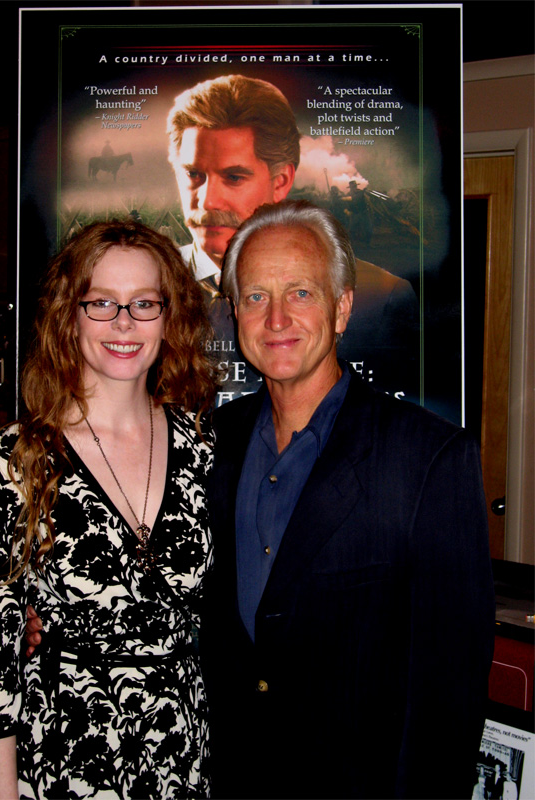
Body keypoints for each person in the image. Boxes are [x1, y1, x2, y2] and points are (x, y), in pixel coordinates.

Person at [202, 200, 495, 799]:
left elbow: (448, 696)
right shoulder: (208, 446)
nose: (276, 317)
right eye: (256, 297)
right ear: (234, 315)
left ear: (342, 308)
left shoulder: (428, 459)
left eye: (301, 293)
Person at [0, 220, 218, 799]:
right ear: (69, 314)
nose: (125, 323)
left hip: (184, 757)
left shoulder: (205, 447)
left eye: (144, 303)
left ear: (169, 315)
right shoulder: (18, 458)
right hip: (65, 758)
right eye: (101, 302)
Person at [166, 74, 419, 403]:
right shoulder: (144, 293)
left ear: (281, 180)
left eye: (233, 177)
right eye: (193, 175)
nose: (207, 200)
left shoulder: (381, 298)